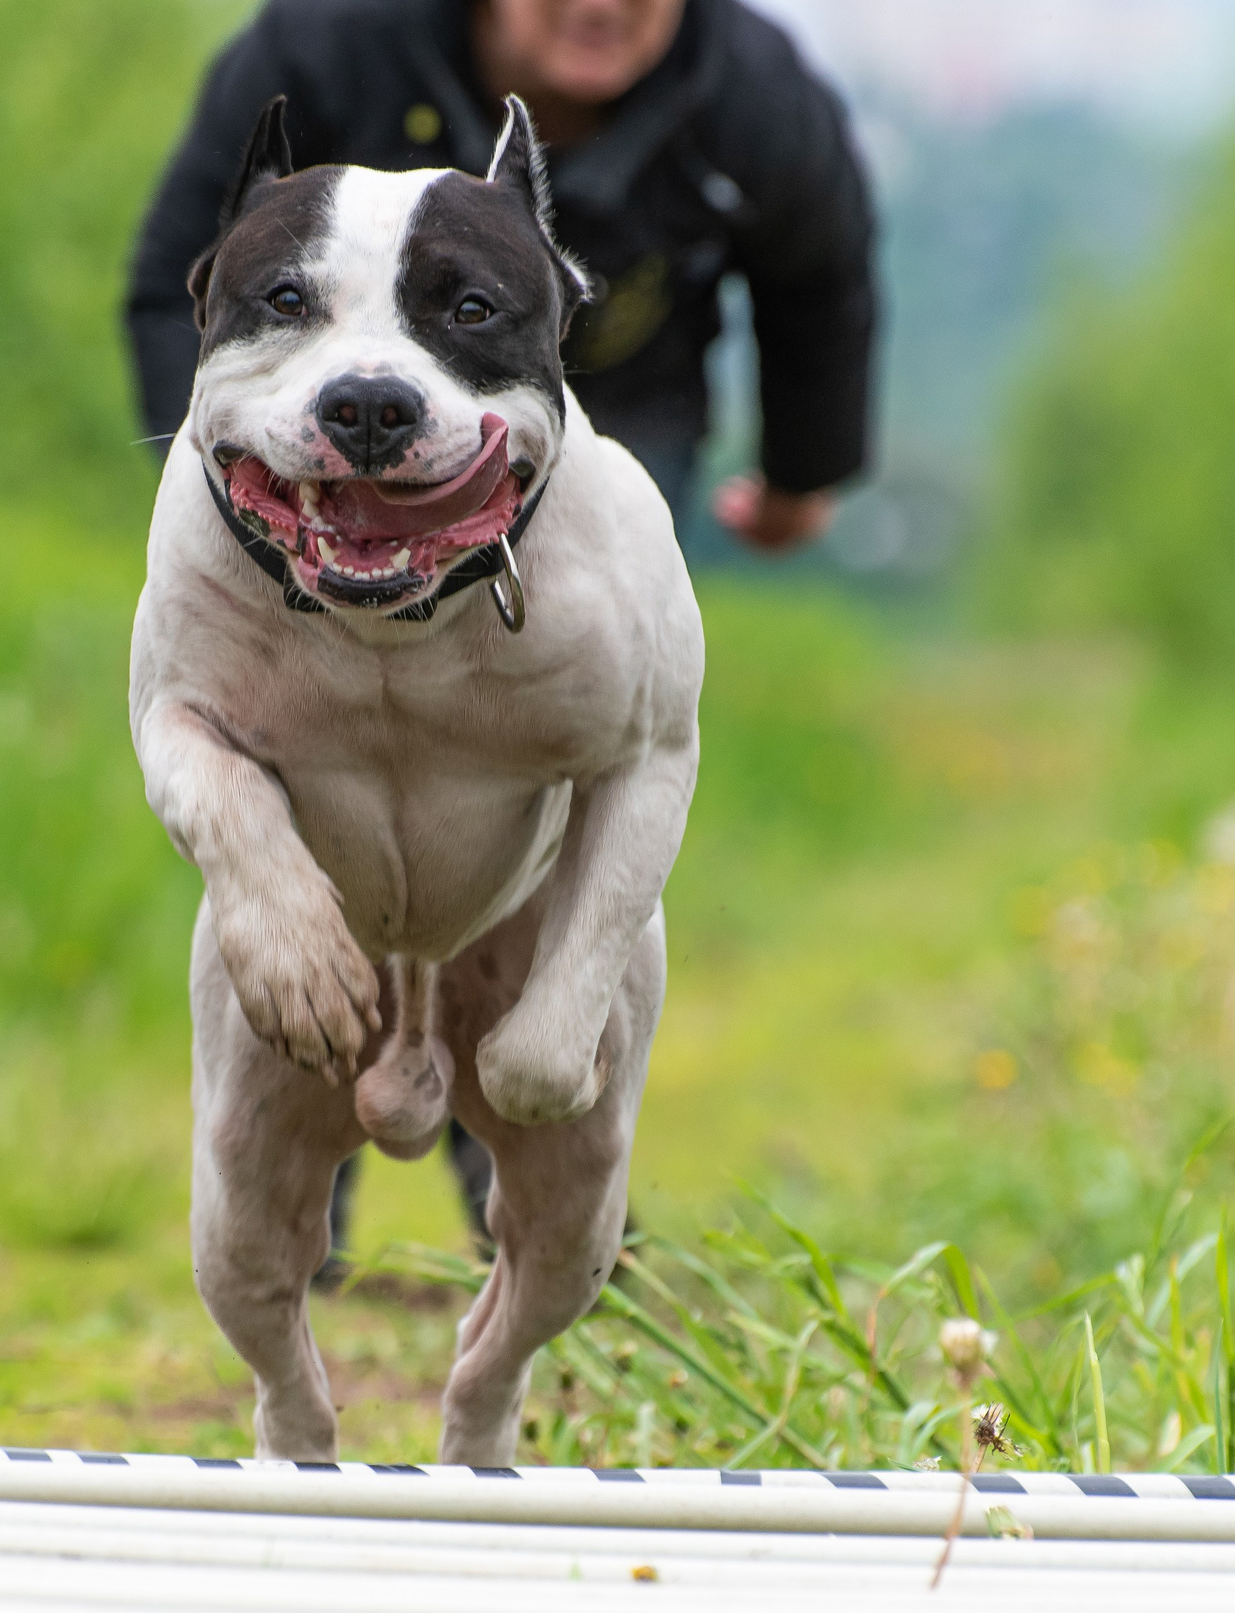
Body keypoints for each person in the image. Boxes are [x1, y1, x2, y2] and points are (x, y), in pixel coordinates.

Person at [123, 0, 878, 1273]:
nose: (600, 9)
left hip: (601, 411)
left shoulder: (750, 92)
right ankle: (305, 1176)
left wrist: (806, 471)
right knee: (329, 787)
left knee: (539, 760)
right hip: (305, 418)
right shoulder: (321, 52)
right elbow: (172, 281)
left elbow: (820, 268)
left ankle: (523, 1177)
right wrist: (224, 498)